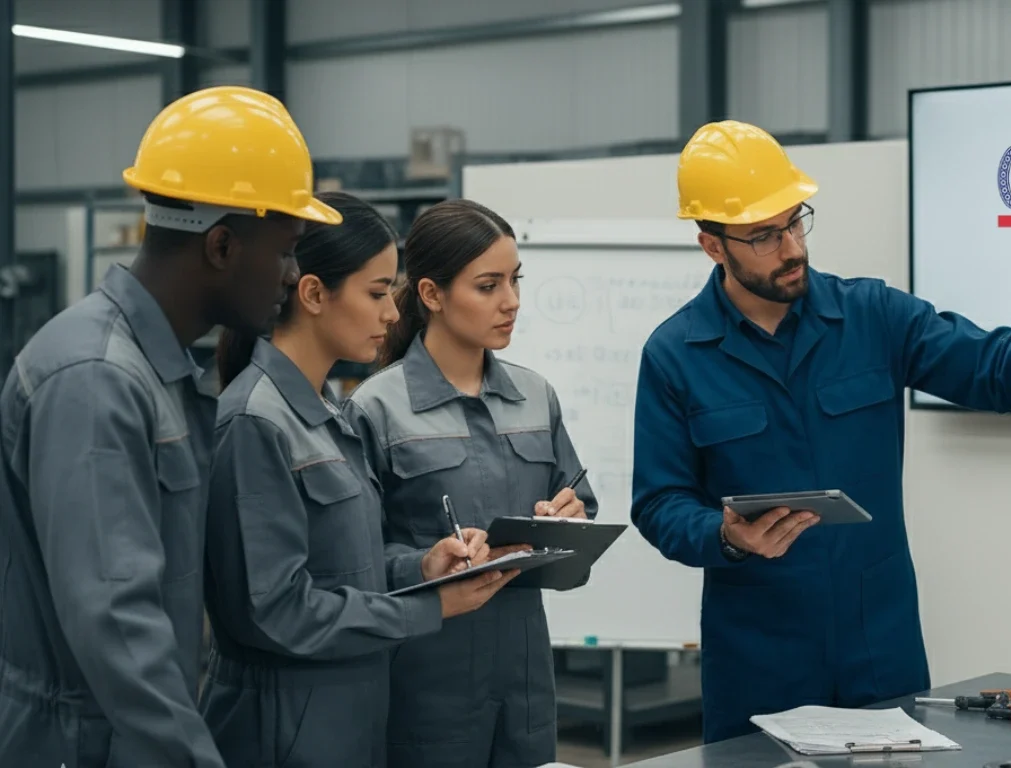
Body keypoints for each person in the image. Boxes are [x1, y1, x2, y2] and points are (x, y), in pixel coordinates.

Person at [630, 119, 1011, 743]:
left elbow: (987, 360)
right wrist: (726, 535)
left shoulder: (872, 317)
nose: (791, 247)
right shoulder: (675, 355)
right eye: (763, 235)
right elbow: (659, 502)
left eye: (795, 221)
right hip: (759, 656)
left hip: (879, 649)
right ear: (713, 246)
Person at [0, 86, 340, 767]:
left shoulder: (161, 375)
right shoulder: (98, 379)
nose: (293, 275)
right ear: (221, 245)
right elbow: (117, 627)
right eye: (285, 250)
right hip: (82, 744)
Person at [200, 191, 525, 767]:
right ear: (314, 293)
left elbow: (347, 566)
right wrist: (428, 608)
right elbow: (275, 612)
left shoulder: (325, 417)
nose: (393, 313)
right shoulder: (256, 421)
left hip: (346, 718)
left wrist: (422, 567)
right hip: (284, 731)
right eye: (377, 293)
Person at [345, 198, 598, 768]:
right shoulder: (375, 410)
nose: (510, 302)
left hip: (526, 686)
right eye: (488, 286)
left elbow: (579, 505)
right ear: (432, 294)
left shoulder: (537, 397)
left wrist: (571, 518)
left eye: (515, 281)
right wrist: (423, 565)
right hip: (426, 686)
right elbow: (353, 563)